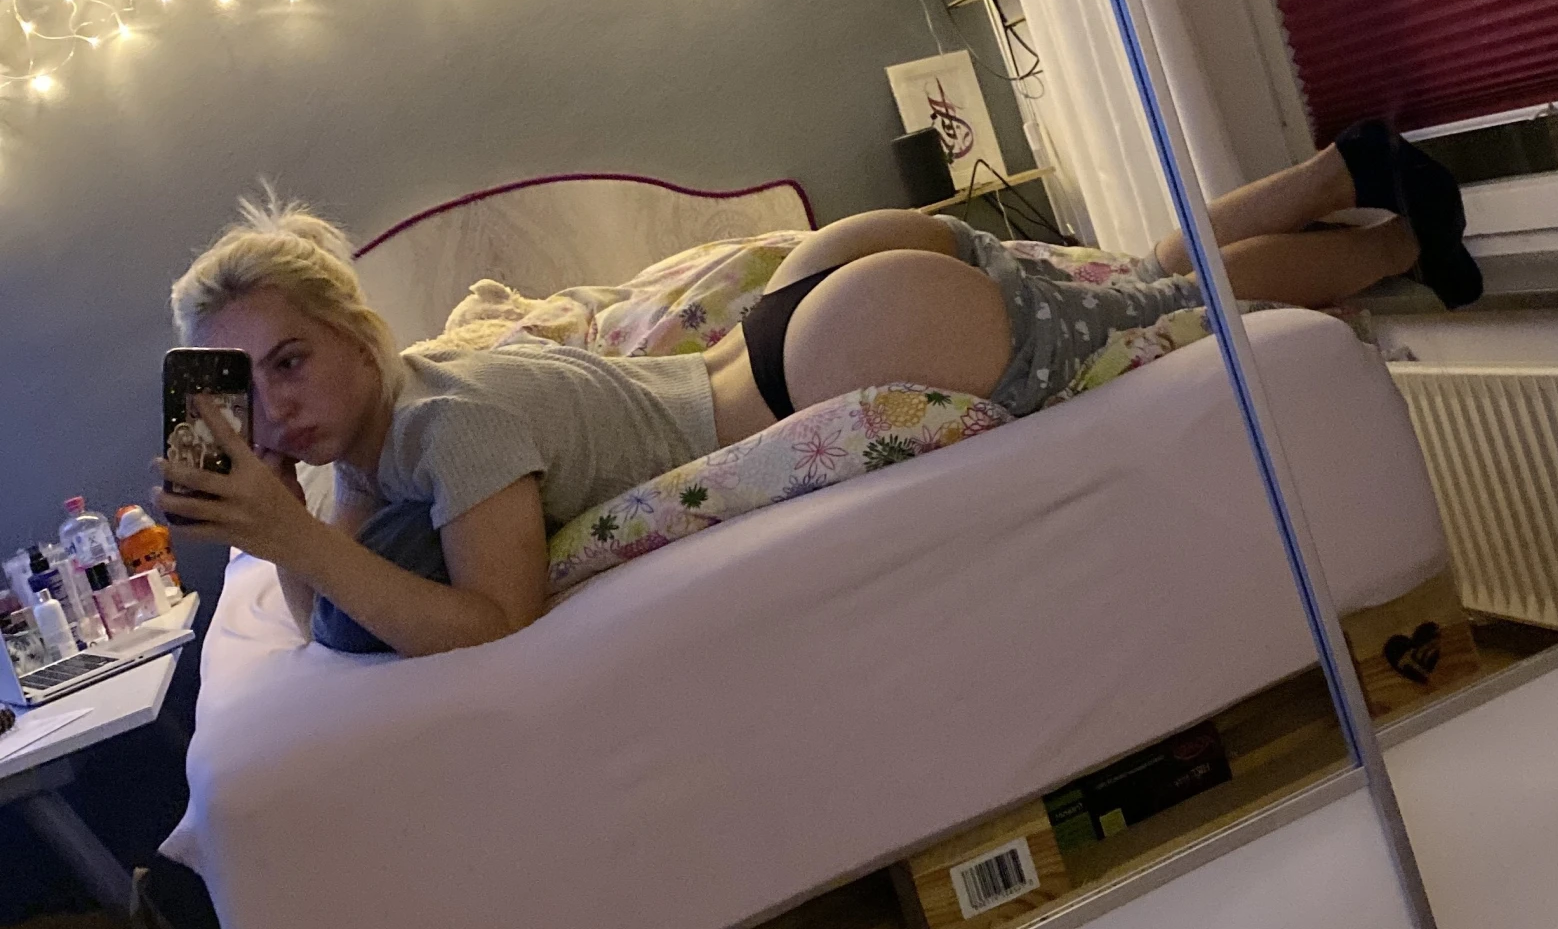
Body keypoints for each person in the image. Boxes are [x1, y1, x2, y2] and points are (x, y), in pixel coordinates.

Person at [160, 123, 1474, 660]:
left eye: (292, 361)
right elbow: (327, 594)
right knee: (1134, 289)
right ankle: (1335, 171)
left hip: (825, 354)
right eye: (247, 387)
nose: (277, 406)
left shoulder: (447, 428)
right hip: (799, 315)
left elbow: (492, 615)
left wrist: (291, 533)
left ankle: (1395, 244)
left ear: (357, 333)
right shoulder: (379, 430)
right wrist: (277, 503)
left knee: (1171, 325)